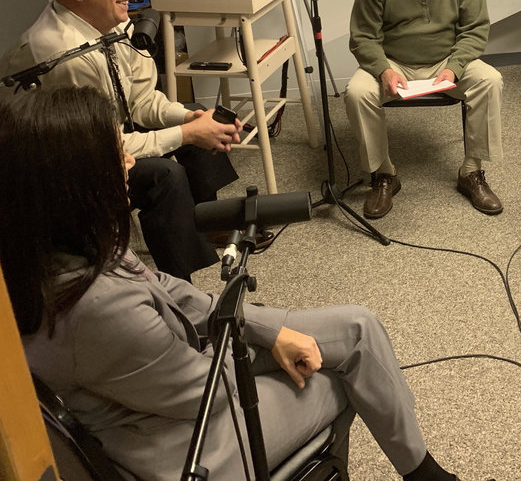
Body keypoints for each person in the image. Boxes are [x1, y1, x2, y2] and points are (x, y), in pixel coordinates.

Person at [0, 86, 486, 481]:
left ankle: (424, 475)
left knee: (356, 328)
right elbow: (205, 393)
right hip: (184, 444)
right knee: (344, 374)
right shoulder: (96, 307)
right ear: (71, 182)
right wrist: (266, 348)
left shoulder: (57, 245)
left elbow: (174, 292)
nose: (129, 161)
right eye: (116, 152)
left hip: (173, 391)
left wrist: (269, 331)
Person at [1, 0, 240, 281]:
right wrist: (187, 133)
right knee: (164, 175)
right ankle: (179, 284)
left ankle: (203, 222)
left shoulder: (115, 24)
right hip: (58, 161)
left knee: (198, 113)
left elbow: (141, 101)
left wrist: (189, 120)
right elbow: (103, 144)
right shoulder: (62, 53)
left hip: (104, 129)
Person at [346, 0, 503, 218]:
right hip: (394, 61)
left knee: (490, 80)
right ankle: (384, 174)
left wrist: (453, 68)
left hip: (446, 59)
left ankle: (471, 172)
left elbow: (475, 30)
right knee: (357, 92)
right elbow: (363, 35)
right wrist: (383, 71)